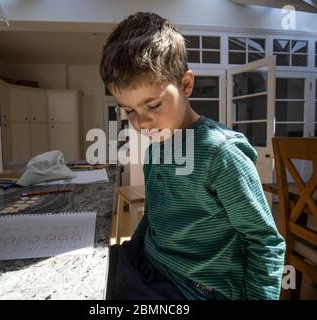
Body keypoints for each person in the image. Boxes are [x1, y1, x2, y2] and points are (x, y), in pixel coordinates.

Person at [101, 12, 285, 300]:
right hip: (151, 267)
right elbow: (154, 217)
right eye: (129, 110)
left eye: (153, 104)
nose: (141, 122)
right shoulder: (155, 151)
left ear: (186, 85)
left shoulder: (221, 155)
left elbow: (265, 241)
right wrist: (133, 254)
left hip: (196, 290)